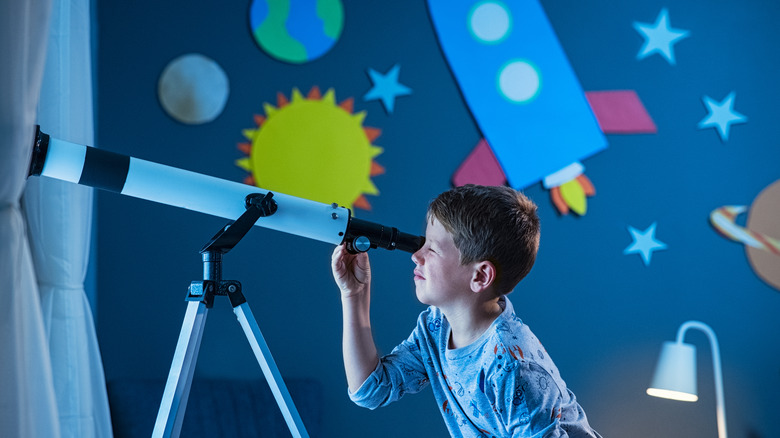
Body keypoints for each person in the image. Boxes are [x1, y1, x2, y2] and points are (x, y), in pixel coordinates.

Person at [331, 184, 601, 437]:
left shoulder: (513, 366)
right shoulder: (436, 327)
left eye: (432, 249)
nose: (416, 256)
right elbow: (371, 390)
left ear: (480, 276)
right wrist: (353, 295)